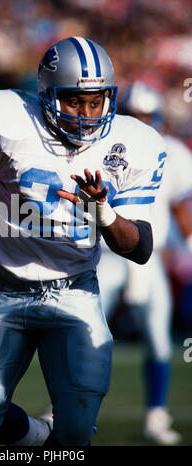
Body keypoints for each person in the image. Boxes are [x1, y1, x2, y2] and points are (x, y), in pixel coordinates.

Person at [0, 37, 165, 446]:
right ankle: (40, 440)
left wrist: (104, 215)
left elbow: (141, 248)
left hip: (77, 292)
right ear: (46, 95)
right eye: (75, 101)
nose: (87, 113)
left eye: (96, 102)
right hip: (9, 291)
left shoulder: (133, 143)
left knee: (75, 435)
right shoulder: (5, 119)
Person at [97, 81, 192, 445]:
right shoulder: (100, 146)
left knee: (157, 338)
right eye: (133, 115)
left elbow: (180, 207)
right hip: (105, 255)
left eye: (145, 116)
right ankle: (62, 407)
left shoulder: (174, 154)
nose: (140, 122)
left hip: (146, 259)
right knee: (80, 331)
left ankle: (156, 414)